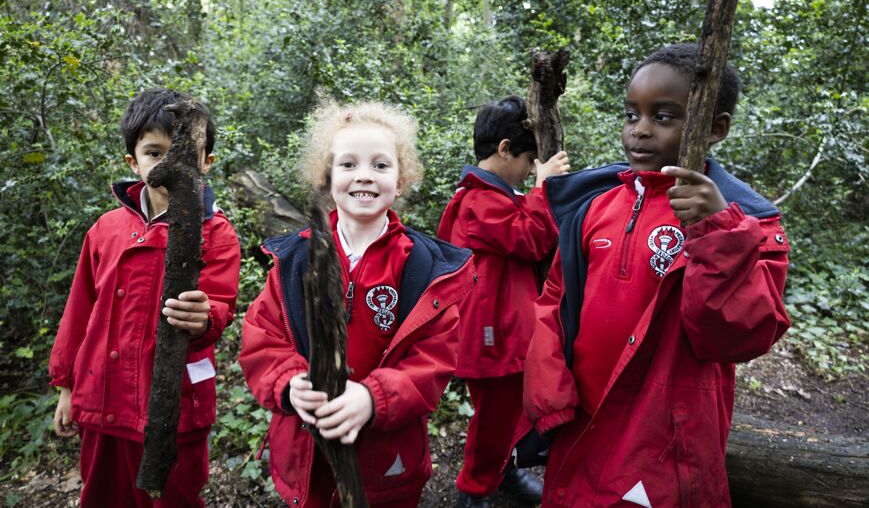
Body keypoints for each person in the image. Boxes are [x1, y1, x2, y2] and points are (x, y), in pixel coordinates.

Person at [523, 43, 791, 507]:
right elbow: (554, 301)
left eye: (663, 117)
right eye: (632, 115)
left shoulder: (746, 224)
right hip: (582, 418)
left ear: (715, 128)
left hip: (665, 437)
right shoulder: (596, 208)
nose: (640, 130)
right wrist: (548, 388)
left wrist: (716, 231)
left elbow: (736, 337)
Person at [239, 101, 475, 507]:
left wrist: (373, 398)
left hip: (386, 460)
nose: (364, 175)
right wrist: (290, 384)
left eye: (380, 165)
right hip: (308, 453)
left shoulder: (421, 267)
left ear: (400, 181)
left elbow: (434, 359)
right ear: (326, 177)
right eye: (348, 164)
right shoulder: (295, 260)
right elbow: (262, 337)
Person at [49, 88, 242, 507]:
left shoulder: (217, 233)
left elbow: (220, 305)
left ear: (206, 162)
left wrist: (204, 317)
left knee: (173, 497)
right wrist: (66, 385)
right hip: (103, 396)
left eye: (185, 154)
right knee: (104, 495)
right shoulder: (106, 229)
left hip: (176, 408)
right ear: (133, 162)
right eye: (154, 153)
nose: (169, 164)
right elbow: (79, 310)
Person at [437, 96, 569, 507]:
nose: (530, 170)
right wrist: (543, 187)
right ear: (505, 149)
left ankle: (504, 472)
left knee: (509, 414)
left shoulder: (494, 196)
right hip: (491, 340)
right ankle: (474, 489)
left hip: (504, 334)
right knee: (494, 419)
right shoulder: (476, 202)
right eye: (529, 160)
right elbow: (531, 237)